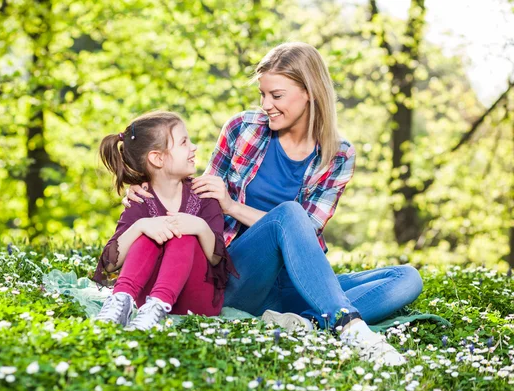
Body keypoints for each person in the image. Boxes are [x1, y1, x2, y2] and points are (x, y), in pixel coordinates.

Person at [124, 43, 423, 365]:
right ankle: (349, 326)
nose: (266, 105)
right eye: (263, 95)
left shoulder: (339, 154)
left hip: (294, 280)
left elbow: (309, 231)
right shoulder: (242, 128)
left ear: (309, 92)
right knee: (289, 215)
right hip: (237, 274)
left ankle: (304, 323)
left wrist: (234, 206)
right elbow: (196, 194)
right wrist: (151, 187)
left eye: (276, 96)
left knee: (406, 278)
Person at [92, 111, 237, 331]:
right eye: (184, 142)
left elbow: (217, 259)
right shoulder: (141, 199)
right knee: (148, 231)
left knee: (182, 233)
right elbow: (110, 263)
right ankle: (121, 301)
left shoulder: (203, 194)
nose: (194, 147)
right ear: (157, 158)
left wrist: (198, 227)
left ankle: (160, 305)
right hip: (146, 299)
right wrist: (140, 226)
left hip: (196, 299)